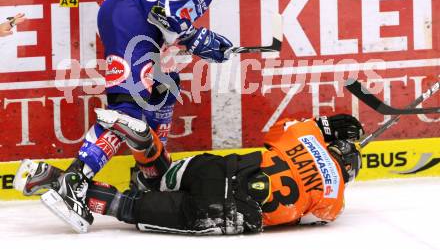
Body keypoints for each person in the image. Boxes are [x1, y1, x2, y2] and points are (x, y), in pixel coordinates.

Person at [37, 0, 263, 230]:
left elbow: (170, 15)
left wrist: (201, 41)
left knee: (164, 89)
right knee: (126, 109)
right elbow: (167, 13)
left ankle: (148, 177)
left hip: (135, 19)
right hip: (130, 21)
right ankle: (74, 181)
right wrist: (199, 40)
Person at [17, 113, 363, 234]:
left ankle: (143, 144)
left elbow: (277, 132)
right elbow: (309, 217)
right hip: (225, 210)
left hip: (216, 167)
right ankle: (62, 184)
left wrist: (324, 125)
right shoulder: (334, 199)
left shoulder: (304, 138)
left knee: (160, 178)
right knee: (133, 206)